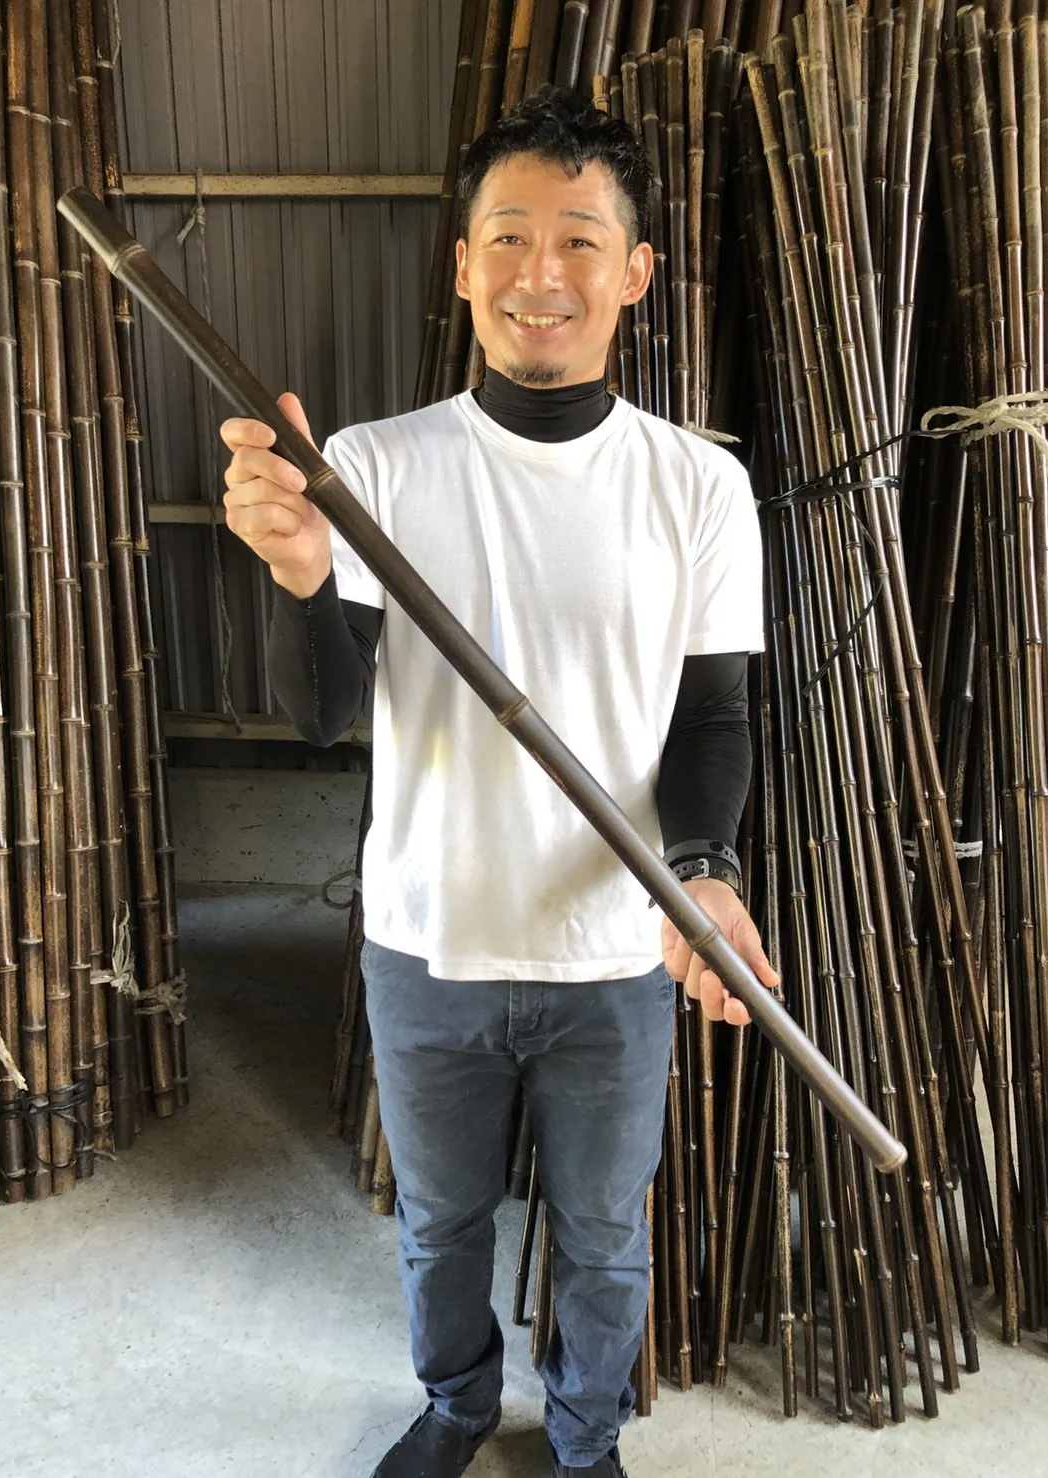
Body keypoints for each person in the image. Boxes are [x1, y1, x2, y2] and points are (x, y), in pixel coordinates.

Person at [221, 87, 777, 1478]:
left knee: (603, 1231)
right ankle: (459, 1405)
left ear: (635, 273)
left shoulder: (698, 487)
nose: (543, 273)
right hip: (431, 940)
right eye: (510, 236)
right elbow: (324, 715)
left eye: (581, 238)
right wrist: (304, 577)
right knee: (443, 1221)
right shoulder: (373, 468)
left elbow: (712, 715)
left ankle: (584, 1439)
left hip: (614, 951)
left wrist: (705, 873)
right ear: (464, 262)